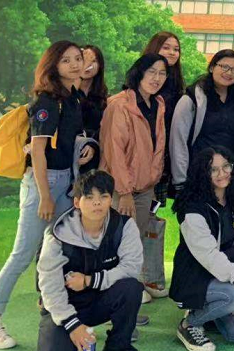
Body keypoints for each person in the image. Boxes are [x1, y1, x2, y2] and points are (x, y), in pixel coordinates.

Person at [0, 41, 93, 350]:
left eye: (78, 58)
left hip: (67, 180)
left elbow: (67, 139)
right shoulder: (47, 101)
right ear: (53, 65)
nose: (75, 64)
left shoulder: (74, 97)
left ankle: (59, 314)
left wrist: (84, 150)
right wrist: (45, 197)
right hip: (44, 183)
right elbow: (37, 152)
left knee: (60, 252)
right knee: (21, 256)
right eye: (66, 60)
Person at [36, 170, 144, 351]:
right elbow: (50, 285)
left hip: (100, 300)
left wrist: (89, 280)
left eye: (103, 196)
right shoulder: (57, 233)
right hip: (65, 304)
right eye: (89, 197)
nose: (97, 202)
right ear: (77, 202)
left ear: (110, 200)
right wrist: (72, 325)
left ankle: (118, 346)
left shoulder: (124, 226)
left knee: (131, 288)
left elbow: (131, 268)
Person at [99, 54, 168, 323]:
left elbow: (157, 146)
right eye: (151, 71)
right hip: (121, 190)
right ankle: (113, 312)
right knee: (115, 249)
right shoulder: (119, 105)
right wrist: (125, 191)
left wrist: (152, 180)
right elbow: (113, 151)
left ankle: (124, 308)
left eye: (162, 73)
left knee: (132, 249)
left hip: (145, 188)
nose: (156, 78)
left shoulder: (158, 104)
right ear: (139, 73)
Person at [171, 148, 234, 351]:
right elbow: (209, 255)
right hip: (196, 278)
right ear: (203, 173)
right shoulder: (192, 209)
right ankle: (189, 324)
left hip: (225, 276)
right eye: (213, 169)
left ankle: (210, 311)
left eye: (226, 166)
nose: (222, 173)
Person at [170, 50, 234, 192]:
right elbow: (178, 141)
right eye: (224, 67)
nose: (229, 73)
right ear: (211, 67)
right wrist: (180, 180)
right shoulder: (192, 99)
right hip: (199, 173)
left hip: (228, 174)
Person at [142, 31, 185, 201]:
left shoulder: (176, 83)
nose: (172, 52)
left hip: (166, 152)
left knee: (154, 208)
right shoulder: (145, 81)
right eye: (166, 47)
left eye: (176, 49)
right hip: (145, 152)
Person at [78, 45, 107, 170]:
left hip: (94, 158)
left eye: (94, 61)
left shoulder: (103, 97)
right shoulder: (66, 94)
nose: (88, 65)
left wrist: (93, 144)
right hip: (68, 157)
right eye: (84, 60)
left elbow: (105, 128)